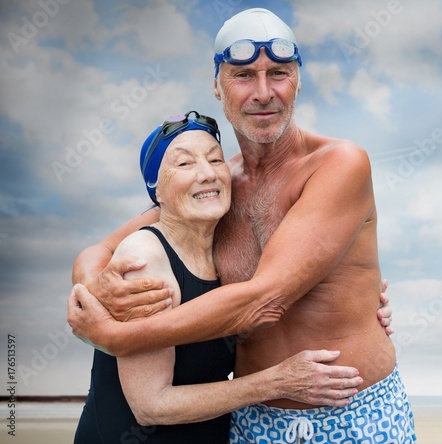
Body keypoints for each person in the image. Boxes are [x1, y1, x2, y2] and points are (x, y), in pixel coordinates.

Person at [68, 7, 417, 443]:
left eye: (279, 74)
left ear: (299, 81)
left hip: (353, 414)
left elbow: (265, 297)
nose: (264, 92)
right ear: (217, 86)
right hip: (253, 421)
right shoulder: (215, 189)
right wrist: (93, 290)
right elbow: (96, 252)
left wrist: (116, 336)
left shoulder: (338, 164)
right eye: (244, 75)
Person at [74, 112, 359, 443]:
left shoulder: (225, 247)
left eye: (215, 159)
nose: (207, 174)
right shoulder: (144, 259)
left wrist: (363, 298)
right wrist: (278, 382)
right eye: (184, 165)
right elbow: (151, 406)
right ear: (156, 190)